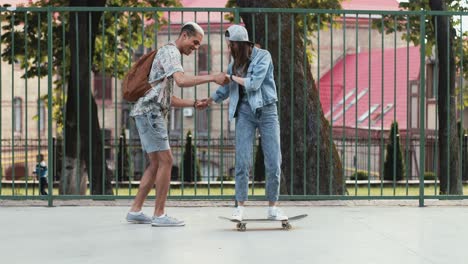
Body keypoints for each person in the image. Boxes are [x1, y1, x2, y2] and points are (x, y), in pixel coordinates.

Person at [126, 22, 228, 227]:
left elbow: (167, 97)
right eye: (195, 42)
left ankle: (136, 210)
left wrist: (192, 103)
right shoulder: (171, 52)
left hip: (145, 111)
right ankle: (159, 215)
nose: (196, 47)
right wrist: (213, 78)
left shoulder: (166, 53)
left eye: (199, 44)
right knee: (166, 161)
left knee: (155, 163)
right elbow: (181, 81)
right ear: (184, 35)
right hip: (150, 113)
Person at [200, 25, 287, 221]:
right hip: (245, 113)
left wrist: (230, 77)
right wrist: (210, 100)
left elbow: (254, 83)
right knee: (242, 161)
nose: (230, 49)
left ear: (241, 44)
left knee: (274, 161)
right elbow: (226, 90)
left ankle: (272, 207)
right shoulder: (234, 65)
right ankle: (239, 207)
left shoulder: (263, 56)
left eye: (232, 46)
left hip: (267, 111)